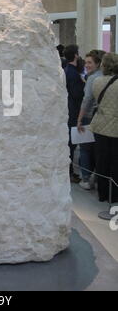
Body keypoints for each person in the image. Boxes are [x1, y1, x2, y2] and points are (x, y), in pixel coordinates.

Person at [90, 53, 118, 203]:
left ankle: (102, 194)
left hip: (99, 126)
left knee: (101, 161)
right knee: (115, 162)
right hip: (115, 128)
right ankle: (114, 196)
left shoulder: (96, 81)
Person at [77, 50, 105, 190]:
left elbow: (86, 100)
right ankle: (96, 176)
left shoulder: (92, 78)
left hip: (88, 116)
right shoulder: (104, 76)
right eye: (86, 62)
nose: (86, 65)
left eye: (90, 63)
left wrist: (79, 119)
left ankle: (86, 179)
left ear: (98, 63)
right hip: (100, 117)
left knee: (85, 149)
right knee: (96, 149)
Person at [64, 45, 85, 183]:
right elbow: (77, 94)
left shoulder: (66, 71)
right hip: (73, 112)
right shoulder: (73, 73)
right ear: (76, 55)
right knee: (72, 144)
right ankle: (70, 173)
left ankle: (70, 172)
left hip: (69, 110)